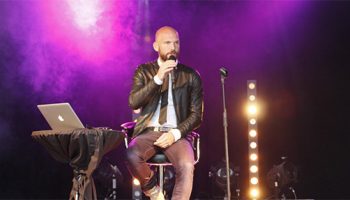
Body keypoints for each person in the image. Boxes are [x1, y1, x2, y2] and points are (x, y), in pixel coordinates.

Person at [126, 26, 203, 200]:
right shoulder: (143, 71)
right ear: (156, 46)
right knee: (131, 154)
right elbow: (134, 102)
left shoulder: (191, 75)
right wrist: (157, 78)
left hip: (177, 133)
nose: (173, 47)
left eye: (176, 43)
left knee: (186, 165)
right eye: (167, 43)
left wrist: (175, 134)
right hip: (149, 131)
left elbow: (197, 115)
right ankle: (155, 193)